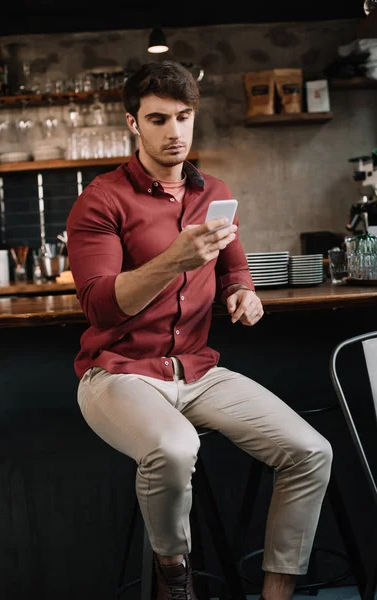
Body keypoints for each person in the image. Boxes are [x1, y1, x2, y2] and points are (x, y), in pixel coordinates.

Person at [66, 60, 333, 600]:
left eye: (184, 117)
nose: (175, 132)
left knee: (311, 451)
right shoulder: (101, 200)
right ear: (133, 124)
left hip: (198, 369)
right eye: (159, 119)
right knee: (175, 448)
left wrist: (244, 291)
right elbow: (100, 307)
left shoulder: (214, 191)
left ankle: (275, 594)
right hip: (118, 374)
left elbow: (235, 264)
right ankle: (174, 578)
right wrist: (173, 258)